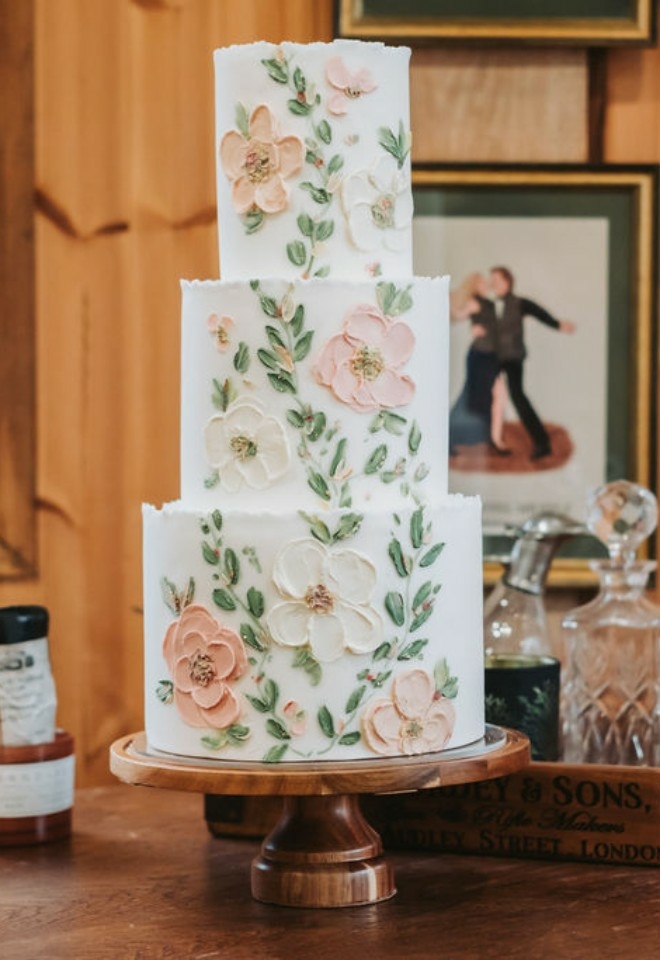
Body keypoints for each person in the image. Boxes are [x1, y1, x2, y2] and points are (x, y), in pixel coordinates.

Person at [489, 266, 575, 460]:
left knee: (518, 397)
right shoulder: (490, 305)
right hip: (493, 358)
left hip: (512, 358)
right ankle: (493, 440)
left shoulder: (519, 303)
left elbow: (539, 312)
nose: (492, 283)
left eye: (496, 279)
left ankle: (542, 442)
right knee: (490, 397)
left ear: (507, 281)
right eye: (491, 280)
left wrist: (558, 324)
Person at [449, 273, 510, 456]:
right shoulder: (475, 302)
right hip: (480, 357)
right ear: (475, 285)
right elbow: (457, 315)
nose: (486, 285)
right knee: (484, 396)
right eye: (482, 282)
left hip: (490, 356)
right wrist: (473, 328)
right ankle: (495, 440)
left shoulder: (487, 303)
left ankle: (495, 439)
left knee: (497, 396)